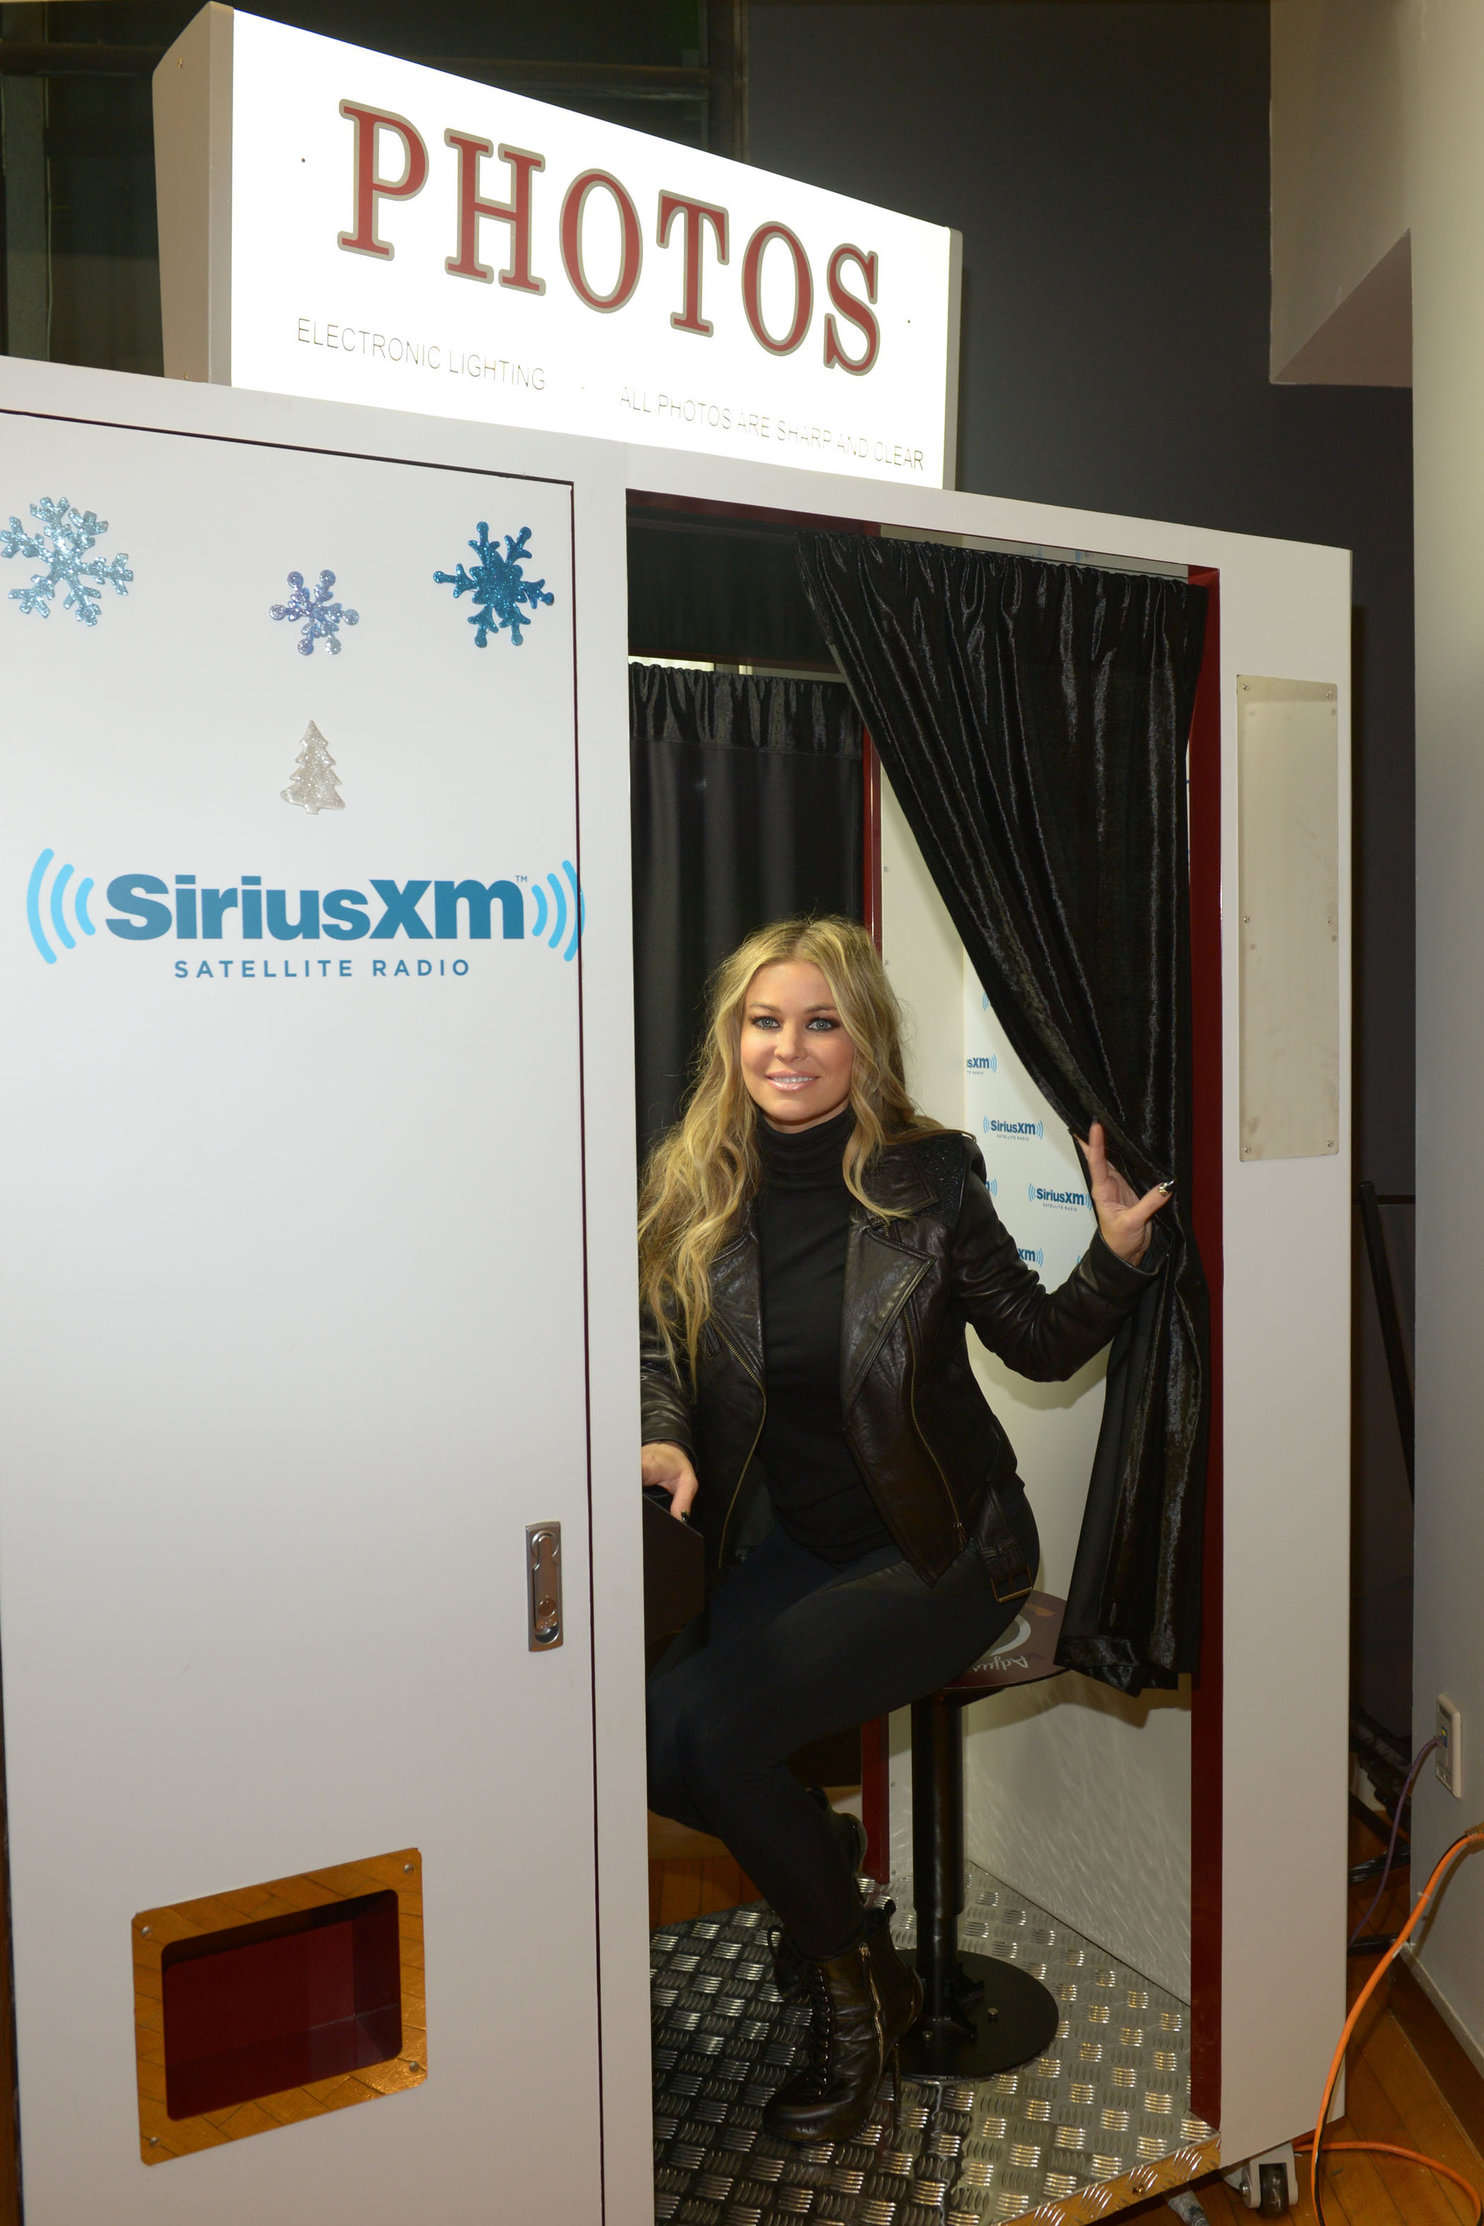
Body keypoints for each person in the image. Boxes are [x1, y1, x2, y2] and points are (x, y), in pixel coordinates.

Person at [639, 917, 1169, 2144]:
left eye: (820, 1022)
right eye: (764, 1021)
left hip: (946, 1552)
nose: (789, 1047)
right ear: (732, 1039)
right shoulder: (693, 1178)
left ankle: (854, 2000)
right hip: (809, 1548)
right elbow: (658, 1348)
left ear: (861, 1040)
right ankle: (827, 1886)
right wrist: (662, 1434)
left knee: (719, 1741)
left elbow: (1035, 1342)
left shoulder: (929, 1176)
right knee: (652, 1737)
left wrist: (1119, 1254)